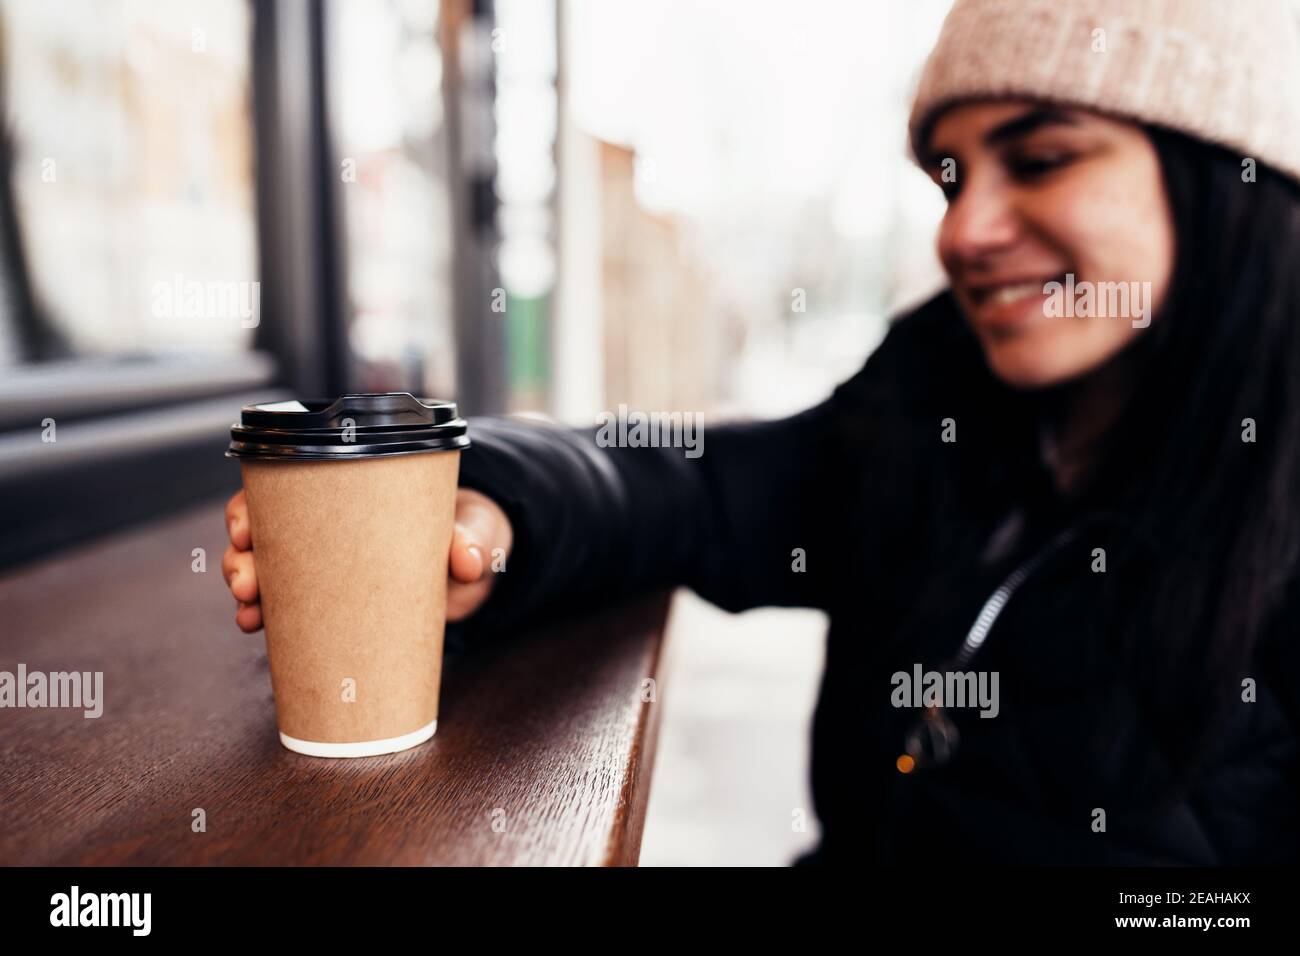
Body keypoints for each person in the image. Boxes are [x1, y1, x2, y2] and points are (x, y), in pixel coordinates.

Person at [222, 0, 1300, 864]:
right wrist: (489, 503)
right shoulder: (929, 406)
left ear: (1232, 177)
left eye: (1044, 157)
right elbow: (691, 484)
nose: (964, 229)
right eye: (950, 177)